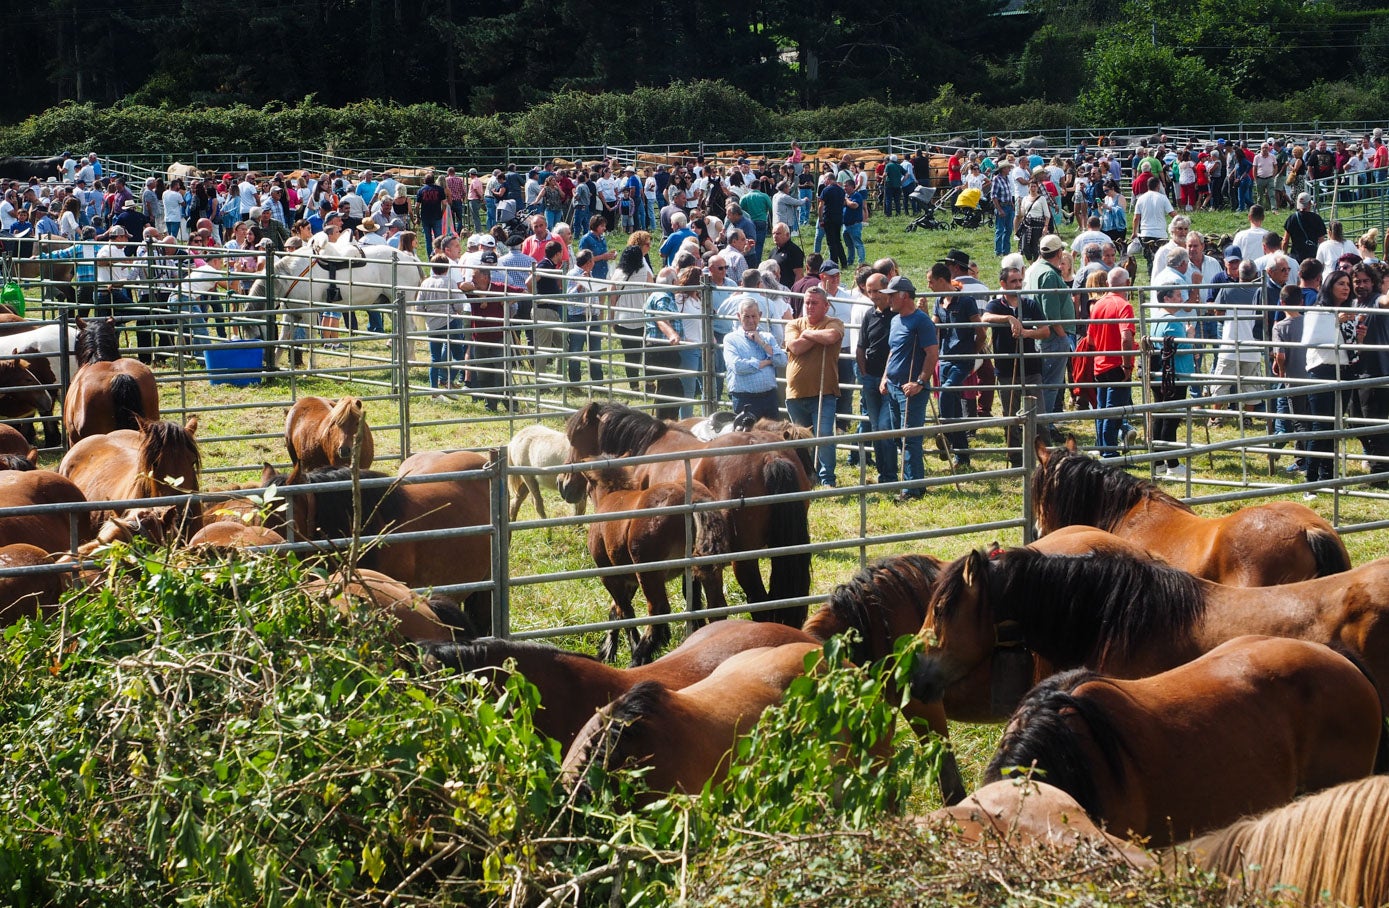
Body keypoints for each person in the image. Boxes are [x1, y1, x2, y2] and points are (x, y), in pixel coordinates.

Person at [982, 265, 1049, 466]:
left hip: (1031, 367)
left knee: (1040, 414)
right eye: (1014, 281)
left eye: (1020, 280)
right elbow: (986, 318)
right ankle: (1015, 458)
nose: (1018, 284)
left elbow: (1045, 331)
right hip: (1005, 368)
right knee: (1009, 415)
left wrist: (1027, 333)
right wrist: (1009, 319)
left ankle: (1046, 458)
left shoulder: (1029, 304)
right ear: (1003, 284)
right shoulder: (996, 304)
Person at [1301, 269, 1360, 493]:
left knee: (1335, 425)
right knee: (1321, 425)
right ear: (1329, 286)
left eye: (1348, 284)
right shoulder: (1319, 311)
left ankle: (1329, 477)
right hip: (1322, 370)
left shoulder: (1348, 312)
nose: (1346, 288)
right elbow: (1312, 339)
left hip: (1344, 370)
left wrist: (1359, 335)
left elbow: (1349, 346)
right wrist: (1335, 320)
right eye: (1341, 284)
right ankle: (1311, 480)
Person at [881, 275, 939, 501]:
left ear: (904, 296)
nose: (889, 300)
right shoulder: (895, 321)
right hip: (894, 386)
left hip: (911, 389)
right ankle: (913, 481)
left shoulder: (921, 322)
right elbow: (893, 352)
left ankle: (912, 489)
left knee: (909, 437)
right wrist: (885, 377)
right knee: (899, 435)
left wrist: (920, 382)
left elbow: (932, 354)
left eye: (892, 296)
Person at [785, 286, 845, 487]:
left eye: (814, 303)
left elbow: (831, 337)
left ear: (826, 306)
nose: (809, 307)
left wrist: (808, 333)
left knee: (824, 435)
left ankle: (827, 478)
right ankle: (807, 477)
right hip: (795, 393)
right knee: (801, 441)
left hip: (824, 392)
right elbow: (795, 347)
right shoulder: (793, 324)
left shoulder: (834, 322)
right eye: (807, 302)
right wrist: (816, 335)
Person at [928, 261, 983, 469]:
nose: (929, 285)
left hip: (961, 359)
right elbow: (933, 327)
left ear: (942, 280)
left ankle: (945, 432)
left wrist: (972, 353)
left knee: (946, 391)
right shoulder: (938, 301)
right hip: (944, 358)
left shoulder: (966, 301)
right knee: (955, 409)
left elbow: (980, 330)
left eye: (931, 281)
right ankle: (962, 454)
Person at [1023, 234, 1074, 440]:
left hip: (1044, 336)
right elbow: (1051, 312)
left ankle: (1043, 424)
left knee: (1046, 382)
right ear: (1060, 253)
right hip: (1053, 337)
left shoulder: (1036, 270)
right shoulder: (1050, 275)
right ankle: (1046, 426)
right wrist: (1063, 336)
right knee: (1051, 384)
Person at [1084, 267, 1139, 457]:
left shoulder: (1098, 305)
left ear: (1107, 284)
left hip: (1100, 364)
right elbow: (1126, 337)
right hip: (1117, 364)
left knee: (1102, 409)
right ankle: (1109, 453)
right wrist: (1126, 365)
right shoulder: (1124, 306)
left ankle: (1103, 447)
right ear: (1128, 284)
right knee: (1114, 410)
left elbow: (1090, 339)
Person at [1147, 277, 1197, 479]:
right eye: (1177, 295)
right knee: (1172, 418)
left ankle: (1158, 461)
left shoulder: (1156, 319)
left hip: (1162, 374)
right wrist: (1190, 335)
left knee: (1160, 416)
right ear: (1167, 299)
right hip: (1175, 375)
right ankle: (1173, 463)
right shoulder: (1172, 320)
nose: (1181, 299)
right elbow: (1182, 348)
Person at [856, 272, 899, 482]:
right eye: (869, 291)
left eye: (877, 291)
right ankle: (884, 472)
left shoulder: (897, 315)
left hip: (890, 381)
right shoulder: (869, 315)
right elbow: (860, 347)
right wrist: (864, 374)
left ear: (886, 289)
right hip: (871, 378)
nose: (873, 295)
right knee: (875, 429)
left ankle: (890, 474)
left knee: (884, 427)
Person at [723, 297, 786, 420]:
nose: (751, 320)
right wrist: (766, 362)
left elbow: (782, 361)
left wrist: (761, 342)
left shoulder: (767, 337)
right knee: (747, 437)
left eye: (754, 316)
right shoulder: (731, 339)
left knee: (772, 437)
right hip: (745, 398)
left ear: (760, 316)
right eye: (746, 316)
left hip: (769, 397)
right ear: (739, 316)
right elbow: (738, 366)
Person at [416, 253, 467, 396]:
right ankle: (448, 383)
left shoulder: (425, 283)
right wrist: (456, 311)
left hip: (432, 324)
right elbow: (458, 305)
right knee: (458, 355)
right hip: (449, 322)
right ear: (447, 268)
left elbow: (419, 307)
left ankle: (434, 390)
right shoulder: (449, 282)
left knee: (435, 358)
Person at [643, 267, 685, 420]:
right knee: (671, 389)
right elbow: (661, 318)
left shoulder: (655, 294)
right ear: (673, 282)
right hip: (664, 348)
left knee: (668, 386)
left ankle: (665, 421)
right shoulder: (664, 297)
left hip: (656, 347)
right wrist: (672, 334)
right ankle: (665, 422)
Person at [415, 173, 446, 256]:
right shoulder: (440, 189)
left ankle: (430, 257)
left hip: (425, 217)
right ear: (433, 180)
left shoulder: (421, 190)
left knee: (428, 239)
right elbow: (444, 203)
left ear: (425, 180)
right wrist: (442, 213)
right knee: (439, 238)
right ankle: (440, 256)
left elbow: (417, 206)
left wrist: (418, 216)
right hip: (437, 216)